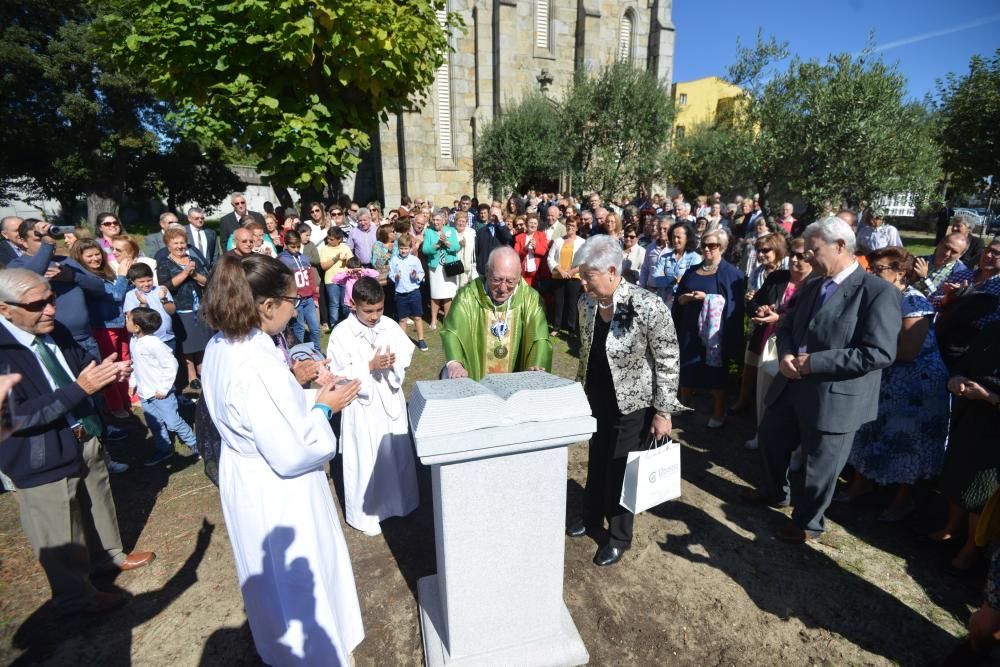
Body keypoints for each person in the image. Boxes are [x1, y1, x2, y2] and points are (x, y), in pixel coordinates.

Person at [200, 254, 364, 665]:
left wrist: (297, 384)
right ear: (267, 305)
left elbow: (261, 416)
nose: (298, 306)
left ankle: (282, 649)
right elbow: (292, 451)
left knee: (270, 583)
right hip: (278, 489)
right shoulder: (255, 363)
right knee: (297, 580)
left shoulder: (224, 344)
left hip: (247, 474)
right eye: (293, 299)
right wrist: (325, 407)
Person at [0, 268, 154, 615]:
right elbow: (15, 416)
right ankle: (76, 597)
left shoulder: (55, 329)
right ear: (4, 309)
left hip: (84, 434)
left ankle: (109, 558)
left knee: (97, 499)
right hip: (39, 456)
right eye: (37, 304)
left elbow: (82, 365)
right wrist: (80, 389)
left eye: (51, 298)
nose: (50, 309)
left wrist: (108, 370)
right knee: (59, 528)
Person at [747, 217, 902, 543]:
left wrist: (814, 362)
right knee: (771, 439)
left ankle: (807, 524)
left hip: (835, 396)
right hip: (791, 383)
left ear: (840, 246)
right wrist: (787, 354)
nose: (808, 258)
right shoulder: (813, 286)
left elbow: (879, 353)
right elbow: (787, 326)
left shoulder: (877, 293)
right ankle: (775, 493)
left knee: (820, 467)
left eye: (814, 251)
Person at [565, 235, 684, 566]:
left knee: (621, 467)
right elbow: (586, 351)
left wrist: (663, 410)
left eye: (588, 275)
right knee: (597, 460)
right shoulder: (587, 303)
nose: (582, 281)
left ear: (612, 271)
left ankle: (618, 536)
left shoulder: (647, 305)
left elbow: (668, 359)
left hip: (633, 403)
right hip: (596, 398)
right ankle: (590, 518)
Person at [833, 248, 949, 521]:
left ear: (900, 273)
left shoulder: (913, 302)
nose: (873, 273)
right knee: (869, 428)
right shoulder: (877, 294)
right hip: (885, 375)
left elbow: (908, 350)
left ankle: (902, 500)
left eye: (880, 269)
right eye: (872, 268)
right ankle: (860, 484)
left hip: (916, 385)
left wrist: (866, 351)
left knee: (907, 440)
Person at [327, 277, 419, 536]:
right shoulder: (341, 334)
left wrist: (393, 362)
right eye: (368, 311)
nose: (375, 316)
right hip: (362, 403)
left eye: (379, 309)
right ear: (353, 304)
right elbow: (338, 371)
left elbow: (405, 351)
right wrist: (369, 366)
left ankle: (400, 503)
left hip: (388, 396)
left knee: (395, 452)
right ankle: (369, 514)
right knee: (366, 457)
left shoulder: (388, 324)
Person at [930, 320, 1000, 570]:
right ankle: (951, 528)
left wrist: (990, 397)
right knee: (957, 474)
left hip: (995, 430)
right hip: (971, 415)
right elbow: (965, 362)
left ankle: (972, 547)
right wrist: (957, 378)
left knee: (983, 490)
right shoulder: (993, 329)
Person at [742, 237, 814, 449]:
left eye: (801, 256)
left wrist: (779, 319)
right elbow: (755, 301)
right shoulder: (777, 277)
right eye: (793, 254)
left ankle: (795, 449)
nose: (794, 259)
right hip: (767, 343)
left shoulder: (816, 285)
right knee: (764, 391)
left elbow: (809, 320)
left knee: (793, 398)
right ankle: (761, 434)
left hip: (795, 347)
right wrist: (759, 310)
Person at [441, 246, 552, 380]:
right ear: (487, 271)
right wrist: (455, 363)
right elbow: (452, 331)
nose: (503, 288)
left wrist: (536, 364)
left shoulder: (531, 299)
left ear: (519, 276)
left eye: (510, 281)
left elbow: (539, 338)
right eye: (497, 280)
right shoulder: (467, 296)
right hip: (476, 380)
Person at [672, 229, 746, 428]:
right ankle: (683, 402)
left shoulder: (732, 274)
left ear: (721, 247)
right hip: (690, 328)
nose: (706, 248)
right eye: (703, 244)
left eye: (711, 245)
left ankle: (719, 411)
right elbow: (679, 298)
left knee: (716, 373)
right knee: (686, 366)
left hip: (716, 333)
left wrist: (707, 299)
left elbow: (735, 307)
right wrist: (685, 298)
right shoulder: (691, 271)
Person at [126, 307, 198, 466]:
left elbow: (171, 364)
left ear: (137, 326)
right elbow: (135, 365)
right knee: (155, 424)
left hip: (161, 394)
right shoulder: (133, 341)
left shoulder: (154, 344)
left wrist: (164, 388)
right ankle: (164, 449)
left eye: (128, 319)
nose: (126, 321)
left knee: (173, 422)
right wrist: (133, 383)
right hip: (146, 394)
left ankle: (195, 444)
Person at [72, 239, 133, 418]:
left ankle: (129, 397)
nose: (95, 258)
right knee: (110, 366)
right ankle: (115, 405)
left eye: (97, 254)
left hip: (119, 323)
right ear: (79, 258)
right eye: (89, 256)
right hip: (103, 327)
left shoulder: (105, 272)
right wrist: (122, 275)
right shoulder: (88, 278)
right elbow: (115, 295)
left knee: (125, 360)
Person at [157, 227, 212, 390]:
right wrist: (185, 273)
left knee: (202, 341)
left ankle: (203, 370)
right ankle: (191, 375)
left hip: (199, 307)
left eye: (182, 242)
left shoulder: (192, 260)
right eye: (176, 243)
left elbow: (207, 281)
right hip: (181, 308)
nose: (180, 246)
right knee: (187, 345)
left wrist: (194, 274)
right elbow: (166, 286)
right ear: (168, 246)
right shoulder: (164, 263)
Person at [277, 231, 321, 352]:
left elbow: (311, 278)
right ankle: (300, 353)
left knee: (315, 327)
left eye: (298, 246)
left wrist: (315, 297)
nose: (296, 249)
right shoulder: (282, 260)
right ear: (286, 244)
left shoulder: (304, 258)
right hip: (296, 301)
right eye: (293, 247)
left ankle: (317, 351)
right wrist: (288, 302)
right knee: (299, 328)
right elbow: (281, 282)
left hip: (309, 299)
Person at [422, 208, 461, 329]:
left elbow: (457, 246)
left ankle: (447, 319)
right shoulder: (428, 232)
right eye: (433, 219)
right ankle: (433, 320)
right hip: (435, 267)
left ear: (444, 220)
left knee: (448, 294)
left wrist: (447, 243)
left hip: (449, 266)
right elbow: (425, 250)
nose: (435, 222)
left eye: (438, 219)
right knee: (435, 294)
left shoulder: (451, 230)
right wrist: (437, 245)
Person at [912, 232, 974, 307]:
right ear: (939, 244)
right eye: (946, 247)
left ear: (960, 255)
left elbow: (938, 299)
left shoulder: (961, 273)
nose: (947, 253)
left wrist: (924, 278)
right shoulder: (920, 260)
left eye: (954, 252)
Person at [123, 263, 176, 351]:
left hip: (167, 339)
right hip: (146, 341)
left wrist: (164, 299)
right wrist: (143, 304)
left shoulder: (161, 289)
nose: (146, 284)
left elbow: (172, 311)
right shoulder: (130, 295)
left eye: (149, 280)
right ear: (133, 282)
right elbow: (132, 319)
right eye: (141, 282)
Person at [388, 234, 427, 351]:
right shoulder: (394, 259)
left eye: (406, 248)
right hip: (400, 293)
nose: (403, 251)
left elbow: (421, 273)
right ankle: (403, 342)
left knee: (417, 317)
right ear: (398, 248)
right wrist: (396, 276)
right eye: (401, 248)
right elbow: (391, 274)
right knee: (402, 319)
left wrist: (416, 276)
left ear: (410, 249)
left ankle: (421, 340)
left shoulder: (415, 260)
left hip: (414, 292)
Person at [652, 221, 701, 308]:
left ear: (687, 238)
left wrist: (666, 277)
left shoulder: (694, 258)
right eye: (673, 237)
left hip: (683, 305)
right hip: (663, 304)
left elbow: (691, 283)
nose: (675, 240)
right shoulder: (664, 257)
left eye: (679, 237)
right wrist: (675, 280)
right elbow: (656, 279)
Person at [320, 227, 354, 327]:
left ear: (339, 239)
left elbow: (352, 263)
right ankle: (334, 325)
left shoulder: (345, 247)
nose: (328, 241)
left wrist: (345, 261)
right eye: (328, 238)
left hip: (344, 279)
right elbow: (323, 266)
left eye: (331, 239)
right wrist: (336, 258)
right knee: (334, 304)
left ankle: (348, 324)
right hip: (331, 281)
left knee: (345, 303)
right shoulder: (324, 249)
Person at [474, 203, 514, 274]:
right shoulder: (481, 231)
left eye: (495, 215)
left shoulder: (503, 229)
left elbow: (508, 238)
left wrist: (500, 221)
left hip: (499, 268)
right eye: (492, 215)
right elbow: (477, 251)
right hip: (484, 269)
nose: (493, 217)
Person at [513, 213, 550, 288]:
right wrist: (525, 248)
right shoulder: (519, 237)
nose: (533, 225)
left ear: (537, 225)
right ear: (526, 224)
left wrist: (535, 247)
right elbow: (515, 255)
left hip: (538, 274)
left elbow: (545, 251)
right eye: (530, 223)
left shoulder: (542, 235)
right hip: (523, 274)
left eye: (535, 223)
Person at [639, 217, 673, 290]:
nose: (661, 231)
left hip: (668, 291)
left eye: (665, 229)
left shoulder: (674, 249)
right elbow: (645, 269)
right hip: (651, 289)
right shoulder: (650, 247)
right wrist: (641, 287)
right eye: (660, 228)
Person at [453, 211, 478, 288]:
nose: (461, 223)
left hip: (467, 266)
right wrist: (458, 245)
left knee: (465, 288)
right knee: (454, 289)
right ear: (455, 222)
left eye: (463, 221)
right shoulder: (451, 232)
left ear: (467, 222)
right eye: (459, 221)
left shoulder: (471, 233)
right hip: (454, 265)